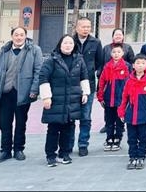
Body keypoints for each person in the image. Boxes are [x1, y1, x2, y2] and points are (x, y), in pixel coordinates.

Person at [0, 26, 43, 163]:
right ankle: (5, 150)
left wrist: (34, 90)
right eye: (16, 35)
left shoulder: (34, 50)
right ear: (12, 36)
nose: (19, 37)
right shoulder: (4, 50)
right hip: (5, 92)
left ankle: (19, 149)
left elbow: (38, 71)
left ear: (25, 36)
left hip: (23, 92)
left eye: (21, 35)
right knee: (4, 124)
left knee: (21, 122)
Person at [39, 34, 90, 167]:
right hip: (55, 100)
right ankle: (51, 155)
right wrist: (46, 97)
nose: (68, 46)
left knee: (68, 128)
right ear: (60, 45)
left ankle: (64, 153)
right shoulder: (52, 60)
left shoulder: (79, 59)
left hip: (72, 100)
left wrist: (85, 92)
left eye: (70, 43)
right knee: (53, 129)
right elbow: (43, 77)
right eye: (65, 43)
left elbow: (84, 76)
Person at [118, 54, 146, 170]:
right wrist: (121, 112)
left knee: (143, 137)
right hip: (130, 115)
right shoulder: (128, 80)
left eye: (143, 63)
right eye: (138, 63)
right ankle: (132, 157)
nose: (140, 65)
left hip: (143, 115)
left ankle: (141, 156)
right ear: (133, 65)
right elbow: (123, 98)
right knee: (131, 138)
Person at [71, 17, 103, 157]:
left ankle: (83, 144)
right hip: (71, 85)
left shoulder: (96, 42)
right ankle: (68, 144)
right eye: (83, 26)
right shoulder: (69, 41)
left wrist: (94, 73)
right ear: (77, 28)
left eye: (88, 27)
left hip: (88, 85)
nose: (86, 29)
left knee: (85, 116)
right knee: (70, 116)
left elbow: (100, 63)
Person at [96, 44, 131, 152]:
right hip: (108, 99)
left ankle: (117, 139)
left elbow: (130, 83)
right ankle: (109, 138)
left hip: (121, 100)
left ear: (123, 53)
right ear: (111, 54)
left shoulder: (127, 66)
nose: (116, 54)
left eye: (118, 52)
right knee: (109, 120)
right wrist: (100, 97)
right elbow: (102, 82)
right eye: (114, 52)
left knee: (119, 121)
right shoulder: (107, 66)